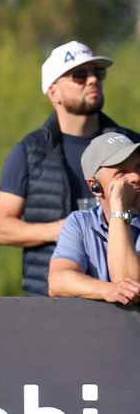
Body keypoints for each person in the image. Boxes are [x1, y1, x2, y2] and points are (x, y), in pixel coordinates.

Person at [0, 41, 138, 296]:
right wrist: (64, 229)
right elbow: (0, 228)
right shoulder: (28, 152)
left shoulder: (130, 144)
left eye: (97, 73)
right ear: (53, 92)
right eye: (79, 75)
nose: (92, 80)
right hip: (52, 303)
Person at [47, 131, 140, 305]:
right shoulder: (80, 222)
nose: (136, 177)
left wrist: (118, 211)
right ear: (95, 186)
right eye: (121, 172)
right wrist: (106, 290)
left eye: (139, 167)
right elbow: (57, 281)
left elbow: (129, 288)